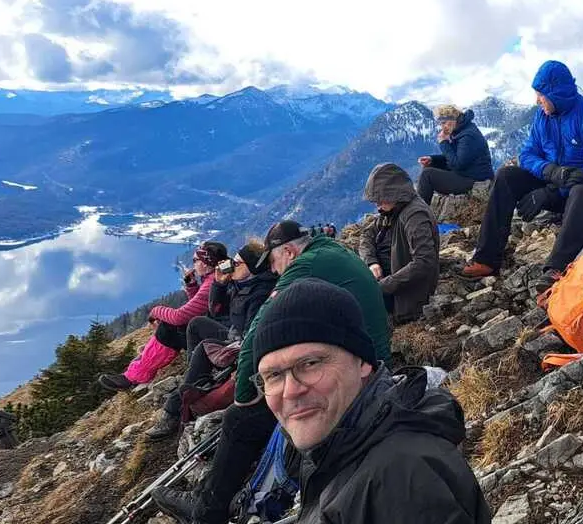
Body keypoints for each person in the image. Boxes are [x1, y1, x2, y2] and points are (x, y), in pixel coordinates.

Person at [151, 220, 391, 524]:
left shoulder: (303, 267)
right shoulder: (329, 251)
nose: (274, 270)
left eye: (274, 262)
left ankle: (205, 512)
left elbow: (259, 327)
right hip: (367, 361)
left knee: (240, 420)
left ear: (288, 252)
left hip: (358, 374)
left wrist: (244, 395)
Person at [251, 278, 492, 523]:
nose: (290, 391)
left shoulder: (398, 478)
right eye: (273, 375)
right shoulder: (341, 451)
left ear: (363, 362)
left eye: (310, 364)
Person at [461, 60, 583, 293]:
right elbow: (527, 154)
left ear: (556, 94)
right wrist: (549, 172)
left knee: (581, 190)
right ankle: (487, 258)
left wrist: (550, 192)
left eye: (541, 95)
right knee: (506, 176)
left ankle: (557, 268)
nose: (537, 100)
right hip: (556, 182)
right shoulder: (543, 118)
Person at [146, 239, 276, 440]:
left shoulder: (258, 291)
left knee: (197, 334)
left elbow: (249, 330)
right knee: (196, 325)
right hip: (234, 333)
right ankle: (192, 379)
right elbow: (215, 310)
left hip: (241, 341)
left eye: (237, 263)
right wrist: (219, 283)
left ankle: (175, 407)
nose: (231, 265)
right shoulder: (241, 283)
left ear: (251, 267)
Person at [99, 241, 228, 391]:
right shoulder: (213, 278)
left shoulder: (210, 283)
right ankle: (139, 368)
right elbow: (202, 306)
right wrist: (192, 286)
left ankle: (135, 376)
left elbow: (179, 316)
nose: (193, 265)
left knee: (170, 327)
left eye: (195, 260)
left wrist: (156, 310)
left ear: (206, 263)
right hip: (217, 329)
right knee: (172, 326)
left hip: (218, 337)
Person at [359, 163, 440, 325]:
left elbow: (424, 262)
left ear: (393, 193)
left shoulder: (415, 216)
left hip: (406, 297)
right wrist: (372, 262)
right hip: (390, 281)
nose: (377, 205)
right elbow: (367, 235)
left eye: (380, 199)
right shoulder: (393, 209)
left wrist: (381, 287)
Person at [417, 105, 494, 205]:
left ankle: (420, 213)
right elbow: (456, 157)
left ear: (453, 119)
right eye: (441, 123)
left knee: (427, 176)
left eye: (444, 123)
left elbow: (457, 164)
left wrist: (443, 143)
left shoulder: (468, 136)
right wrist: (432, 159)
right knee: (429, 166)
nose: (442, 127)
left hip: (475, 180)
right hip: (468, 174)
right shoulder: (462, 130)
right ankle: (422, 208)